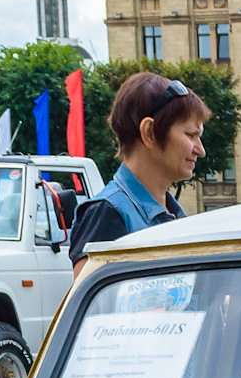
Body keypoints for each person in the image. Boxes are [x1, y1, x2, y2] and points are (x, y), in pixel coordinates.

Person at [69, 73, 208, 276]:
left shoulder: (175, 216)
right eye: (190, 135)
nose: (200, 150)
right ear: (150, 132)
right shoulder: (107, 213)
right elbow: (93, 301)